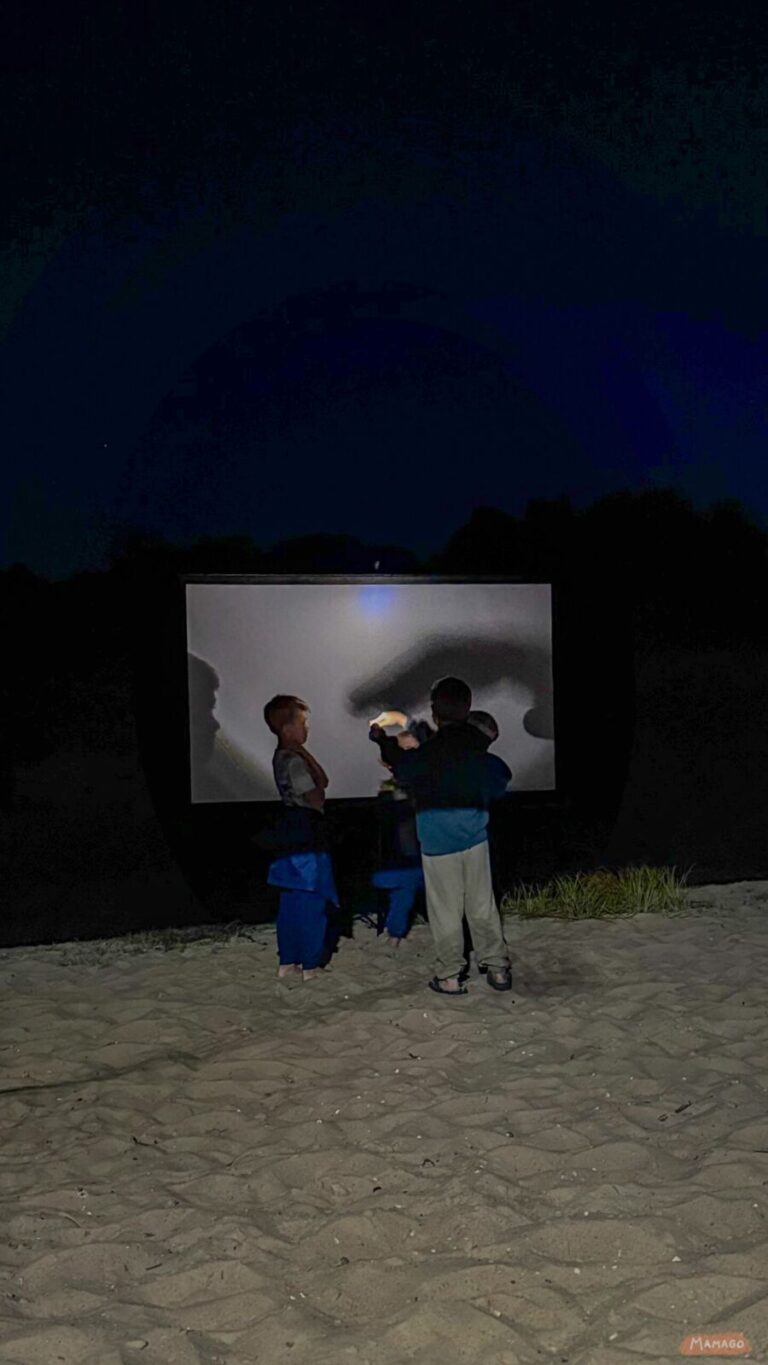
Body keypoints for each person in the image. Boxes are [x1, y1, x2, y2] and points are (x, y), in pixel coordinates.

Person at [370, 677, 512, 995]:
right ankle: (498, 968)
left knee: (445, 910)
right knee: (483, 905)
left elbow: (402, 766)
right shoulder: (475, 751)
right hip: (475, 837)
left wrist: (381, 740)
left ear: (435, 711)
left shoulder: (427, 754)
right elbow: (501, 777)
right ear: (468, 708)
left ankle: (450, 976)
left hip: (437, 843)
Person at [263, 694, 337, 982]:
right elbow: (318, 794)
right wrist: (304, 754)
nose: (307, 729)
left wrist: (302, 750)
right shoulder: (294, 761)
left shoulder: (281, 756)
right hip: (306, 830)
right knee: (311, 899)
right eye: (302, 723)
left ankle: (288, 959)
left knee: (291, 899)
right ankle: (310, 964)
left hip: (289, 830)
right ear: (287, 728)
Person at [371, 729, 425, 946]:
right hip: (404, 855)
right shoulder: (390, 790)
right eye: (405, 751)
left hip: (424, 847)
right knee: (405, 884)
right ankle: (396, 931)